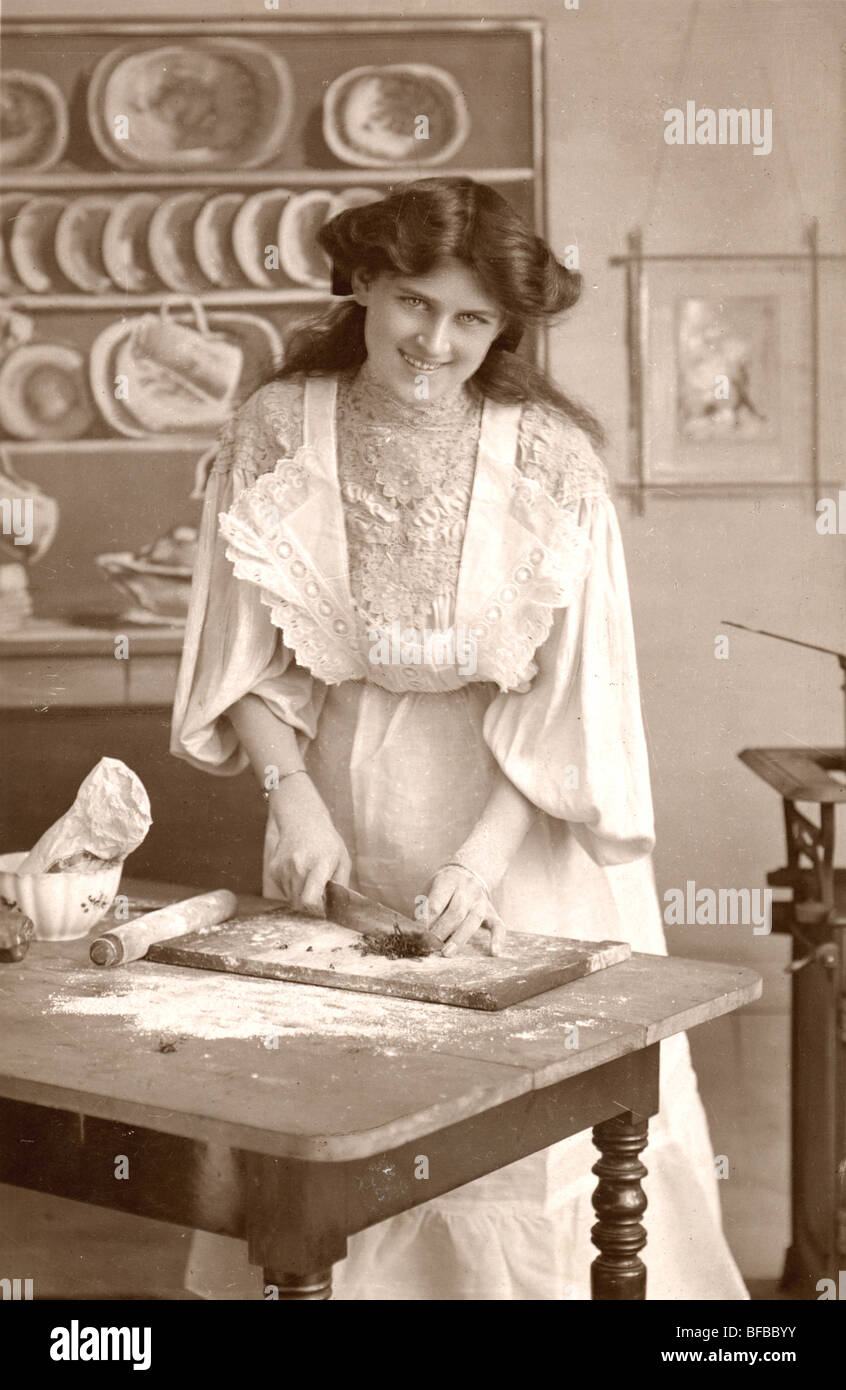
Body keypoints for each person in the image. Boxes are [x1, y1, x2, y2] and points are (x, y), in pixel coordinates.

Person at [171, 176, 747, 1300]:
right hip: (339, 794)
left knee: (533, 1144)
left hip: (524, 821)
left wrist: (482, 865)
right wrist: (291, 795)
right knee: (343, 1117)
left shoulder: (551, 461)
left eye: (471, 319)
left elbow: (575, 698)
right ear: (364, 290)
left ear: (505, 328)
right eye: (412, 304)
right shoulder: (276, 429)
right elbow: (241, 650)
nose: (435, 342)